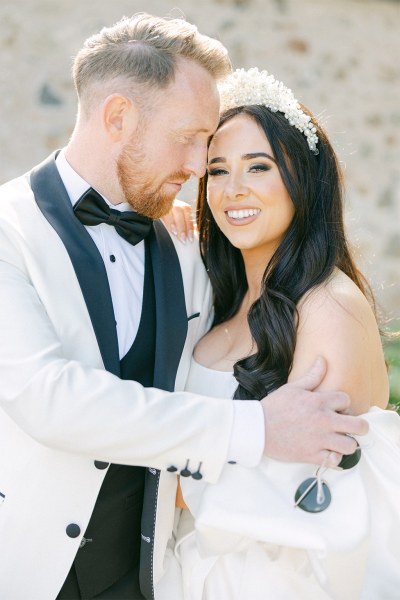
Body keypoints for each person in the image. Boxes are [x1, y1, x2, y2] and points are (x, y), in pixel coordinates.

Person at [0, 15, 368, 600]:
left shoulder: (186, 244)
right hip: (26, 567)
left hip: (156, 574)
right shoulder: (7, 231)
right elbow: (50, 398)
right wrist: (255, 428)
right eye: (189, 138)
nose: (202, 168)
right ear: (118, 117)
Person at [163, 68, 400, 599]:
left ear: (302, 180)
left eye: (259, 167)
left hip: (281, 578)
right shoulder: (220, 298)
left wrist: (158, 478)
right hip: (191, 571)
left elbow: (303, 479)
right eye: (218, 171)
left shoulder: (327, 306)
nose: (233, 190)